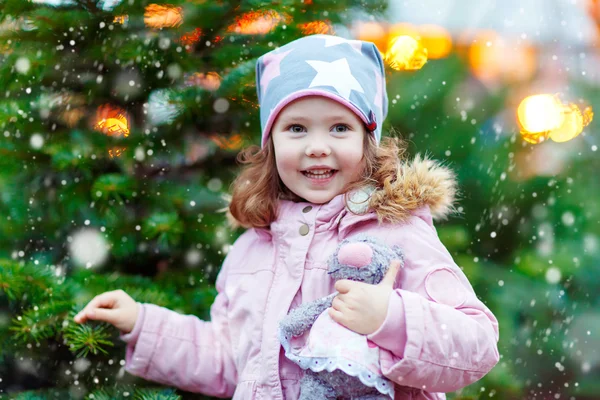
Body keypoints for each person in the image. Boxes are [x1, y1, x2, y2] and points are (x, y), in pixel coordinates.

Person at [74, 34, 499, 399]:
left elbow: (477, 345)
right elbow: (228, 359)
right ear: (271, 143)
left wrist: (391, 318)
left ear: (369, 143)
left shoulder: (397, 234)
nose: (316, 146)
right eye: (296, 128)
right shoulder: (254, 247)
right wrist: (142, 323)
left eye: (339, 128)